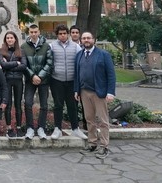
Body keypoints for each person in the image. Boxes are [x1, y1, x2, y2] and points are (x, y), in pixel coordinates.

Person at [75, 32, 116, 160]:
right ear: (81, 40)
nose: (86, 40)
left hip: (99, 93)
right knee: (89, 120)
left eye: (88, 38)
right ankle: (92, 143)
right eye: (84, 38)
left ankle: (104, 146)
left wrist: (110, 92)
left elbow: (111, 75)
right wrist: (76, 90)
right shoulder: (79, 55)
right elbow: (77, 74)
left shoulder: (104, 55)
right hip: (84, 92)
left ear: (94, 39)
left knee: (103, 121)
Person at [49, 24, 87, 140]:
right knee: (58, 105)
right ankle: (57, 129)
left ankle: (75, 128)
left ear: (68, 34)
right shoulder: (51, 46)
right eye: (60, 34)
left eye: (64, 33)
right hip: (57, 80)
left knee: (72, 106)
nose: (62, 36)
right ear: (57, 35)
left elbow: (82, 61)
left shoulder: (76, 47)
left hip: (72, 81)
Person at [21, 24, 53, 140]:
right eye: (31, 32)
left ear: (39, 32)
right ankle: (30, 127)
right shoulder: (24, 46)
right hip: (30, 80)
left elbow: (49, 62)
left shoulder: (46, 46)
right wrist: (32, 76)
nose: (33, 34)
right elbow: (24, 64)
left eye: (35, 32)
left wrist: (40, 76)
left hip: (43, 80)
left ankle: (41, 128)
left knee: (44, 105)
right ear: (29, 32)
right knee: (28, 103)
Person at [0, 31, 27, 138]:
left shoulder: (21, 51)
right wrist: (16, 63)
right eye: (8, 38)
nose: (9, 39)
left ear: (15, 39)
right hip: (7, 80)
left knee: (18, 105)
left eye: (11, 38)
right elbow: (2, 64)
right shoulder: (1, 51)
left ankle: (19, 127)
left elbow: (24, 66)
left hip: (18, 80)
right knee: (8, 105)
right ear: (5, 40)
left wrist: (9, 65)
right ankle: (9, 128)